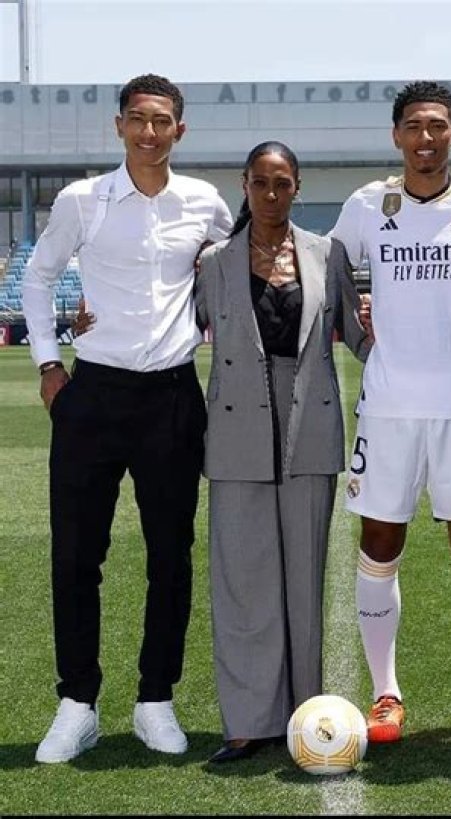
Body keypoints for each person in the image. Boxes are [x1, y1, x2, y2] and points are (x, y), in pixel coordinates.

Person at [22, 73, 233, 764]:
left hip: (172, 397)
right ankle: (77, 703)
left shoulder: (203, 201)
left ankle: (155, 699)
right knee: (76, 555)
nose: (149, 131)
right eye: (138, 119)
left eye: (161, 120)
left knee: (171, 555)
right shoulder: (82, 200)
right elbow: (38, 276)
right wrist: (49, 364)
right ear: (119, 126)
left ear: (180, 130)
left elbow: (236, 266)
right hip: (93, 396)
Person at [331, 81, 451, 746]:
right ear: (397, 135)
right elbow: (329, 272)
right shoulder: (365, 205)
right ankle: (385, 693)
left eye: (437, 126)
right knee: (380, 543)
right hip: (388, 407)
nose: (425, 137)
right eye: (414, 126)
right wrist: (360, 329)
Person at [195, 141, 371, 764]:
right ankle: (248, 722)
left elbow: (360, 339)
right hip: (236, 430)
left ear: (298, 187)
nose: (271, 195)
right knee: (243, 579)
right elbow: (171, 328)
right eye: (260, 183)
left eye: (283, 184)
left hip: (310, 427)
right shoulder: (213, 262)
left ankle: (305, 714)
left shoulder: (328, 253)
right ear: (244, 186)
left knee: (304, 578)